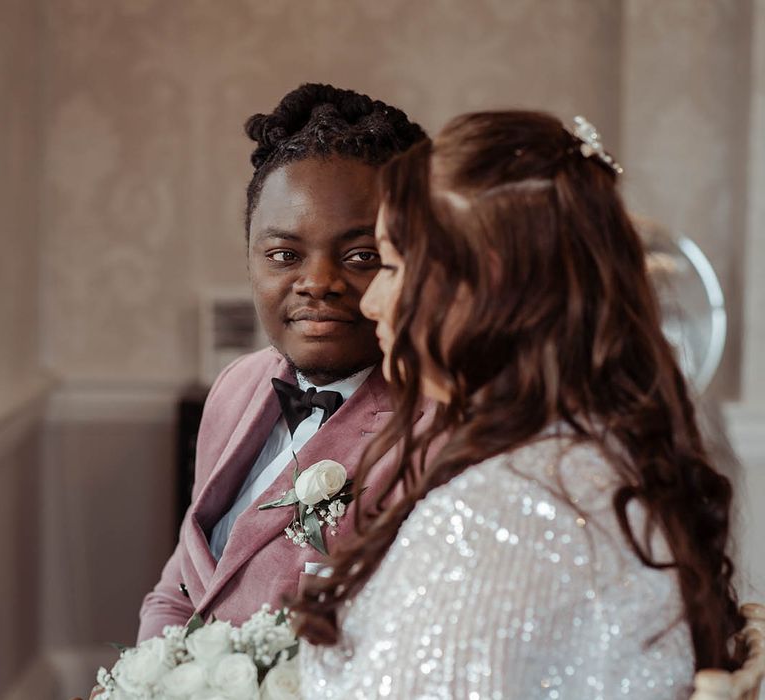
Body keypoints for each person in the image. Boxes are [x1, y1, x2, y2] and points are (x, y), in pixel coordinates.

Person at [295, 111, 743, 698]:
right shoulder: (596, 459)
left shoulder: (499, 515)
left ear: (487, 291)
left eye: (395, 266)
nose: (373, 302)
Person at [136, 84, 428, 642]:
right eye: (284, 255)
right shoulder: (238, 385)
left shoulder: (435, 433)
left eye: (361, 256)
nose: (317, 283)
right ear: (251, 259)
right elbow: (187, 579)